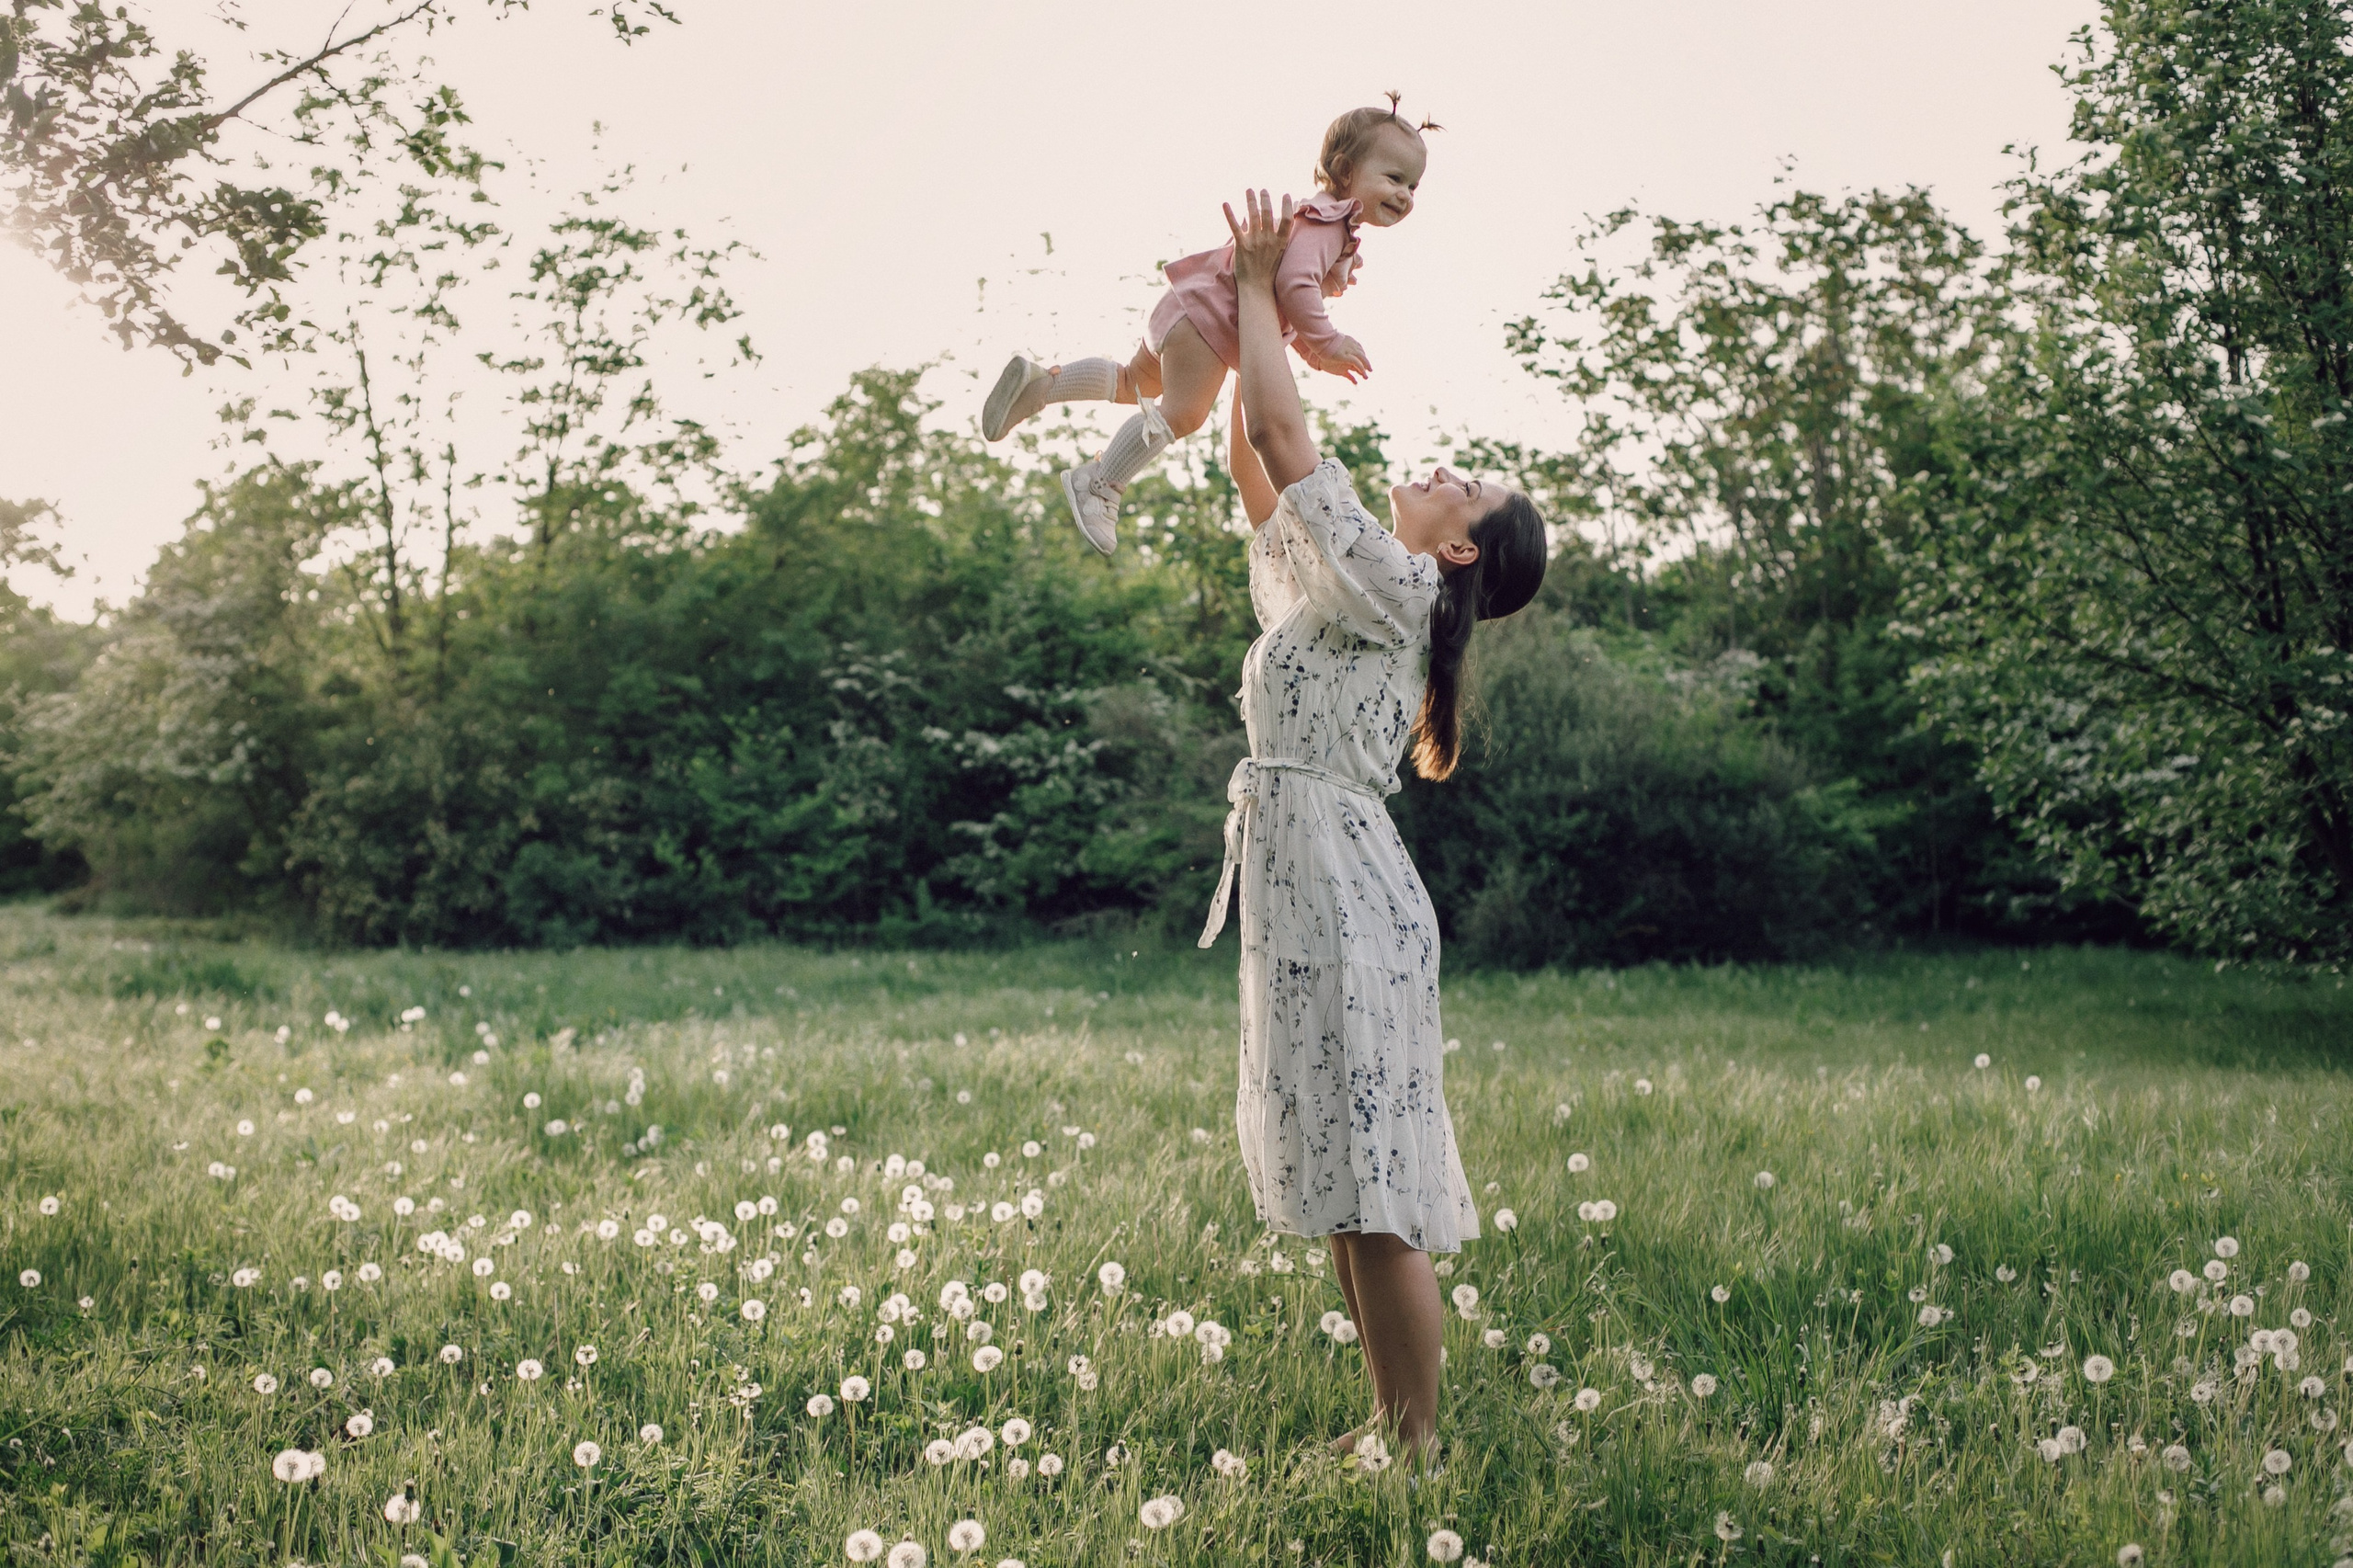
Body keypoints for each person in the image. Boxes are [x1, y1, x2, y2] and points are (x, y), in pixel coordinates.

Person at [1199, 187, 1547, 1466]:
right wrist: (1273, 289)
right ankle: (1392, 1431)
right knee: (1343, 1172)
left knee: (1377, 1184)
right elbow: (1255, 451)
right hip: (1310, 884)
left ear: (1459, 553)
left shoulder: (1396, 585)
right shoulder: (1348, 585)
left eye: (1469, 486)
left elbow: (1290, 431)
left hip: (1343, 894)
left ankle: (1417, 1445)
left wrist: (1251, 284)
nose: (1444, 468)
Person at [980, 97, 1436, 555]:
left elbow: (1278, 304)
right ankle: (1100, 483)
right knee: (1185, 413)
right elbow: (1295, 286)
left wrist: (1313, 353)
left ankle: (1041, 386)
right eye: (1394, 179)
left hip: (1188, 307)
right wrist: (1329, 340)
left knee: (1133, 380)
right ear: (1344, 170)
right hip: (1211, 324)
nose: (1405, 195)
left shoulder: (1317, 217)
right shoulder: (1327, 225)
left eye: (1414, 186)